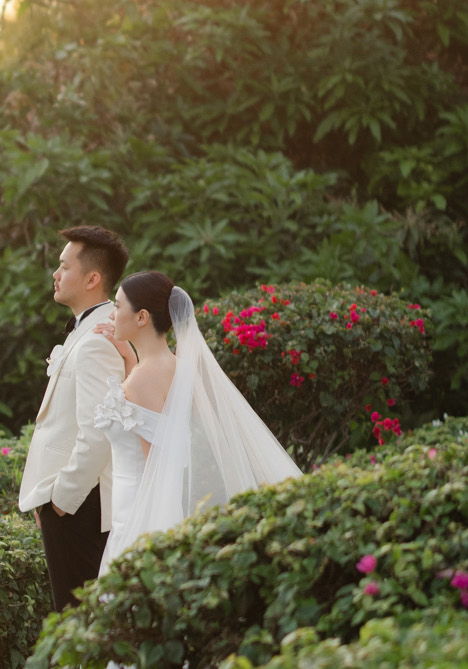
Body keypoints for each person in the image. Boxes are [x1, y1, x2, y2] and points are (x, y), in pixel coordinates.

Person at [92, 271, 301, 572]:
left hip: (140, 513)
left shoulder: (141, 379)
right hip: (159, 506)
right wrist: (129, 358)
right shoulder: (176, 366)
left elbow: (156, 460)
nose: (112, 314)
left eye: (117, 305)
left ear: (141, 317)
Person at [17, 224, 128, 610]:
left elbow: (100, 431)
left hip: (82, 508)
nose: (55, 273)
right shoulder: (92, 329)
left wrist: (61, 499)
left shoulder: (99, 339)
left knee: (77, 618)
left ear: (92, 278)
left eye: (64, 266)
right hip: (72, 505)